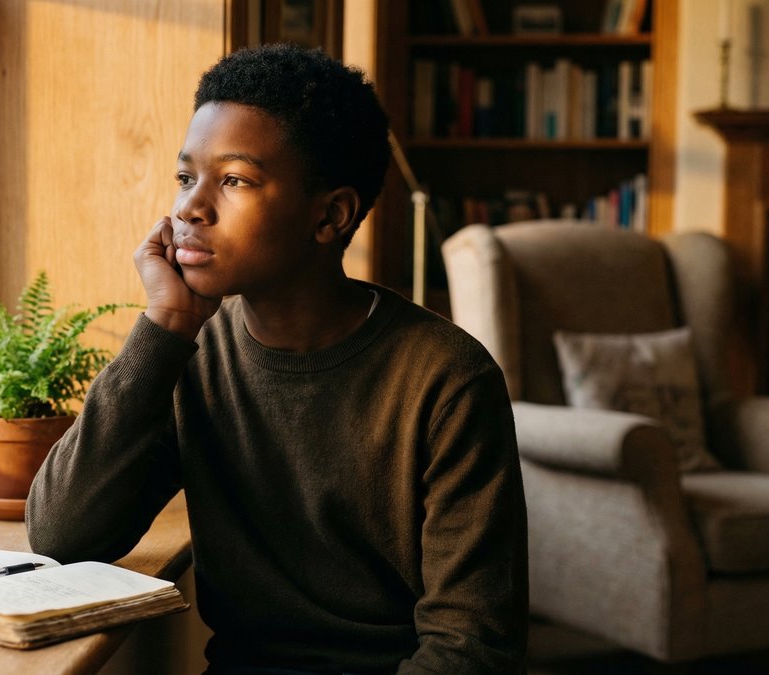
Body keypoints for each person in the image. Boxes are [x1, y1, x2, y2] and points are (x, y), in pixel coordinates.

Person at [26, 43, 527, 674]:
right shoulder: (191, 352)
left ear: (331, 215)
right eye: (186, 178)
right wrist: (165, 326)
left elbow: (472, 647)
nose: (189, 208)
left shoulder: (448, 379)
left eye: (234, 180)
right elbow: (63, 535)